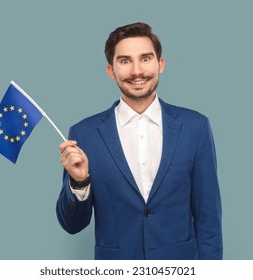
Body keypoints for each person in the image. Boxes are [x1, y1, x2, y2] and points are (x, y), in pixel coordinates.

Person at [56, 22, 222, 260]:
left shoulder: (195, 127)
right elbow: (71, 225)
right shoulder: (85, 134)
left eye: (145, 58)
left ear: (160, 64)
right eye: (125, 61)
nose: (136, 71)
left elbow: (209, 220)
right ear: (110, 70)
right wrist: (80, 182)